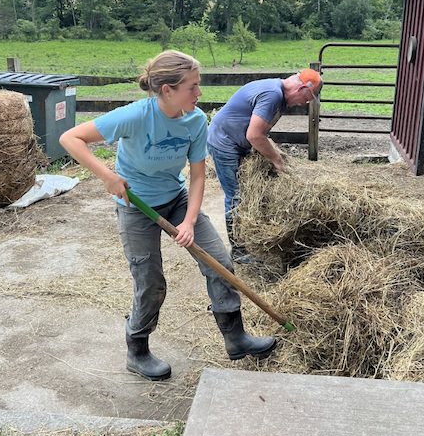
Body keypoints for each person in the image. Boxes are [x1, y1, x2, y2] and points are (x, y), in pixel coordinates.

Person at [59, 50, 275, 381]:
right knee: (150, 282)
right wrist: (107, 175)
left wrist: (188, 221)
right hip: (136, 207)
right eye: (192, 86)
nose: (199, 93)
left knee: (219, 262)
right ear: (167, 90)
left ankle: (235, 338)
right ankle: (138, 350)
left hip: (176, 200)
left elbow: (198, 175)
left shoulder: (194, 121)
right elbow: (70, 138)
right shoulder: (134, 116)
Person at [207, 69, 322, 263]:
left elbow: (259, 131)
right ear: (302, 88)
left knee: (243, 192)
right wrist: (276, 159)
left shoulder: (278, 94)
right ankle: (238, 250)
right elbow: (254, 135)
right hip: (224, 143)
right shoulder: (273, 95)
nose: (304, 103)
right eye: (307, 98)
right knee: (236, 195)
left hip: (236, 141)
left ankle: (246, 240)